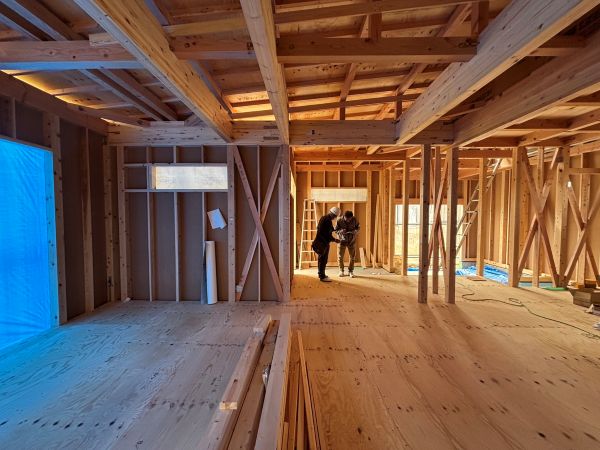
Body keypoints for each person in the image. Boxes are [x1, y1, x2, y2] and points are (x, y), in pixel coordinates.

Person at [312, 207, 341, 282]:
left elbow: (327, 230)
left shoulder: (324, 218)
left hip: (322, 242)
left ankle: (322, 274)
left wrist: (335, 229)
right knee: (323, 260)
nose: (335, 218)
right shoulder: (327, 220)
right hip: (322, 243)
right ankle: (322, 277)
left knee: (322, 259)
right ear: (333, 214)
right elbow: (327, 234)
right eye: (335, 216)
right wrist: (335, 240)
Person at [336, 210, 360, 278]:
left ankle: (350, 271)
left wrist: (356, 231)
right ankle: (341, 271)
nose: (348, 220)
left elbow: (358, 227)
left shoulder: (354, 219)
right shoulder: (339, 220)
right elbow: (336, 230)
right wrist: (340, 231)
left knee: (352, 257)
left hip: (352, 241)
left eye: (350, 219)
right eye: (347, 219)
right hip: (342, 241)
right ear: (344, 216)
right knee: (340, 257)